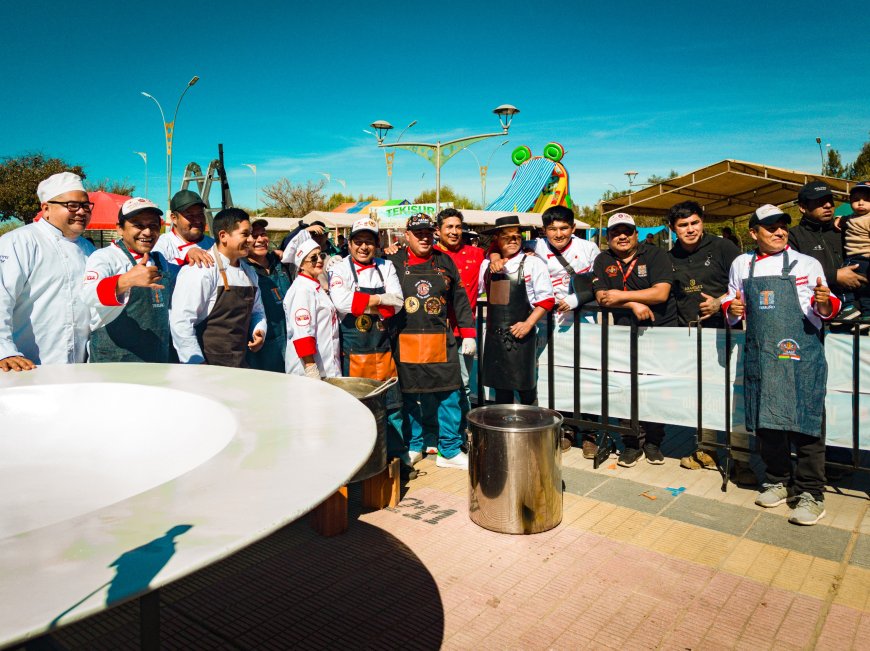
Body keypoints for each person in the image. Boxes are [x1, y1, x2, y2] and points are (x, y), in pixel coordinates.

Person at [723, 204, 840, 525]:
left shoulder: (807, 262)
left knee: (807, 425)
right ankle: (777, 479)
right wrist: (732, 309)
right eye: (770, 227)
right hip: (762, 357)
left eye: (782, 226)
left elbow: (829, 306)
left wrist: (824, 303)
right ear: (753, 233)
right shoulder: (741, 265)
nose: (779, 231)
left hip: (802, 356)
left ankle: (811, 493)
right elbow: (731, 306)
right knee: (767, 422)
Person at [666, 201, 754, 482]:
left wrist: (720, 303)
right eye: (683, 225)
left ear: (702, 222)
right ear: (673, 228)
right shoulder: (670, 257)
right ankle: (707, 448)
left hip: (729, 332)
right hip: (692, 336)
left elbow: (745, 286)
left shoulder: (723, 248)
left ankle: (741, 459)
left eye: (694, 223)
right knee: (703, 395)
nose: (690, 229)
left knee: (734, 395)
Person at [387, 213, 477, 469]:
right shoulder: (392, 261)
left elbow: (459, 300)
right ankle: (415, 445)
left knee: (450, 394)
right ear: (408, 236)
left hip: (440, 339)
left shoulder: (444, 260)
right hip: (405, 340)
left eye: (428, 233)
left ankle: (448, 450)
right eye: (418, 234)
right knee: (409, 397)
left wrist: (468, 333)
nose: (424, 238)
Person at [592, 212, 678, 467]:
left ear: (635, 234)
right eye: (616, 232)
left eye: (627, 231)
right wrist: (631, 303)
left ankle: (653, 442)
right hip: (622, 334)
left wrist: (619, 296)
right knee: (624, 390)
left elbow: (661, 294)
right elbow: (601, 297)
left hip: (658, 331)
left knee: (655, 390)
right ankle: (630, 443)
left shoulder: (655, 255)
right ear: (608, 236)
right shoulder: (602, 259)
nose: (622, 236)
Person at [0, 172, 95, 371]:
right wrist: (5, 351)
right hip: (26, 367)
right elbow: (2, 298)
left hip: (79, 369)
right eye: (72, 205)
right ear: (46, 209)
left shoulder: (89, 249)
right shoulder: (19, 242)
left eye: (86, 206)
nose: (81, 211)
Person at [329, 217, 405, 456]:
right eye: (358, 241)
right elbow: (340, 302)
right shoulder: (340, 267)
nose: (364, 247)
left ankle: (397, 456)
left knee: (392, 406)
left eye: (369, 242)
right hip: (354, 353)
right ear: (349, 244)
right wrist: (381, 300)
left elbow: (399, 303)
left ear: (377, 244)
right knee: (357, 407)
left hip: (383, 350)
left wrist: (360, 302)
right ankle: (361, 457)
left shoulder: (387, 266)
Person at [169, 208, 266, 366]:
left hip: (240, 363)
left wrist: (259, 330)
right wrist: (196, 362)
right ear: (223, 236)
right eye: (245, 234)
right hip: (207, 367)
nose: (251, 240)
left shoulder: (249, 273)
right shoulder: (202, 270)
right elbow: (181, 322)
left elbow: (257, 311)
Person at [83, 198, 175, 363]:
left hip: (156, 358)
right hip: (115, 361)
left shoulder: (160, 259)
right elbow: (89, 294)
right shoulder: (105, 257)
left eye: (153, 226)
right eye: (138, 225)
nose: (147, 232)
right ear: (120, 229)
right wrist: (125, 281)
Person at [479, 216, 554, 405]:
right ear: (497, 239)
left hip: (521, 335)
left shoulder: (533, 263)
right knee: (500, 390)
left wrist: (529, 323)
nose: (513, 240)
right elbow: (477, 289)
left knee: (526, 388)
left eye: (517, 236)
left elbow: (546, 300)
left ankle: (530, 430)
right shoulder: (486, 265)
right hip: (495, 336)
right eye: (507, 237)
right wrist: (492, 256)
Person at [788, 181, 865, 301]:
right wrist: (834, 276)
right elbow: (792, 273)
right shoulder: (793, 236)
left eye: (830, 200)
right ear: (803, 207)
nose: (828, 205)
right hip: (818, 310)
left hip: (861, 305)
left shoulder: (845, 228)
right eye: (820, 202)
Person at [283, 238, 341, 378]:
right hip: (308, 370)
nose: (319, 261)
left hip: (327, 365)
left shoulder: (315, 286)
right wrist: (311, 370)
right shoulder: (302, 290)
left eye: (321, 255)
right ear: (301, 265)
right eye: (313, 258)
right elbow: (302, 332)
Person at [244, 219, 292, 372]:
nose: (260, 239)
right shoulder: (242, 270)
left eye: (263, 234)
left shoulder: (280, 262)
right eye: (254, 235)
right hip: (263, 348)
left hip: (290, 342)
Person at [151, 189, 214, 267]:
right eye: (190, 216)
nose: (197, 220)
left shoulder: (214, 244)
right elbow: (158, 271)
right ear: (174, 218)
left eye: (200, 214)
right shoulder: (161, 245)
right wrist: (186, 257)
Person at [840, 181, 870, 319]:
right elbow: (846, 220)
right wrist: (839, 220)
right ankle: (867, 315)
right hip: (857, 258)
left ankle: (848, 307)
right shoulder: (851, 217)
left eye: (866, 200)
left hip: (860, 258)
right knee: (864, 290)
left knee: (840, 278)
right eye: (856, 200)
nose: (861, 203)